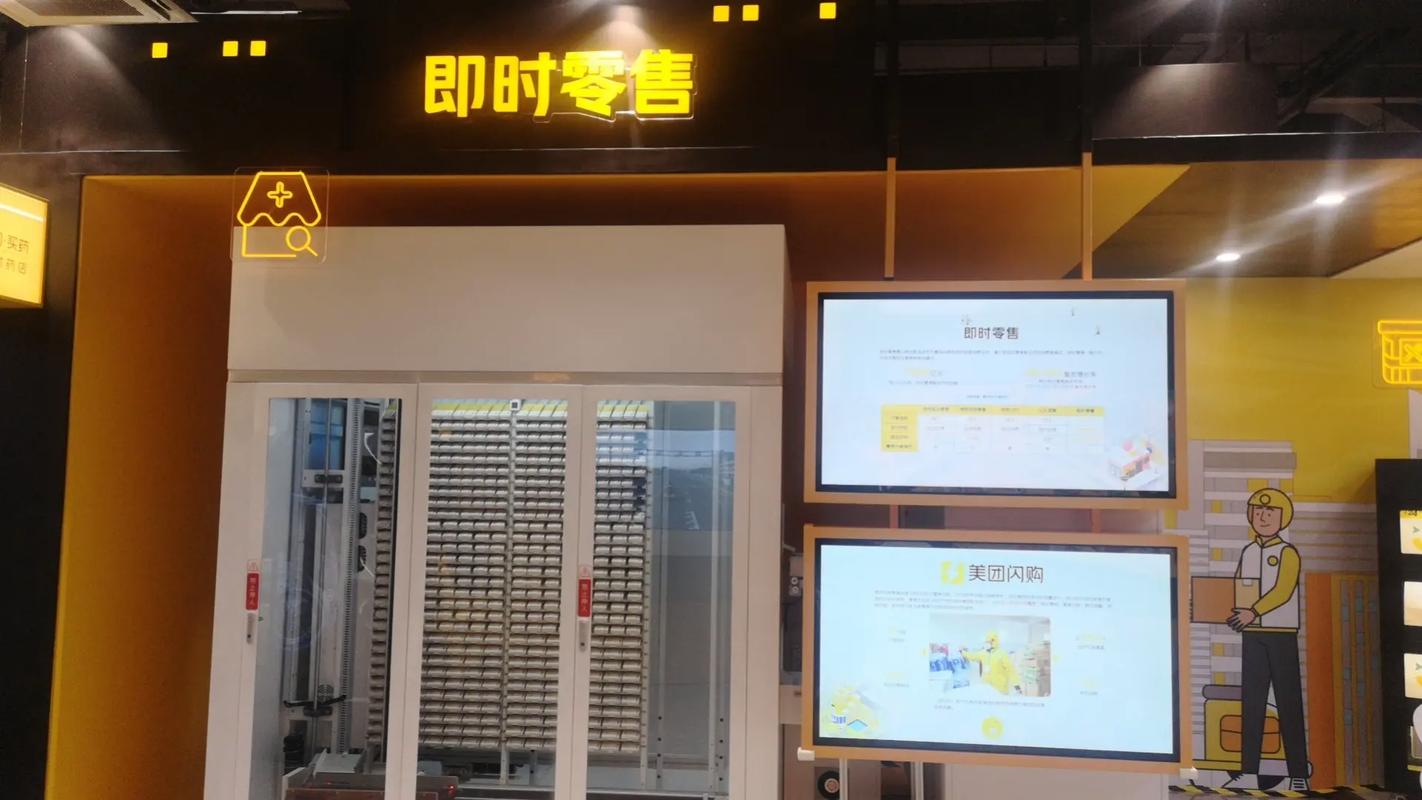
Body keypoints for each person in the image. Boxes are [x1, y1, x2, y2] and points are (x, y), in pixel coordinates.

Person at [1224, 488, 1309, 792]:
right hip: (1253, 635)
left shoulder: (1287, 553)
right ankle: (1248, 770)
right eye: (1258, 512)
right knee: (1252, 703)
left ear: (1283, 518)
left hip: (1281, 635)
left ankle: (1298, 773)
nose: (1263, 517)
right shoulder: (1248, 551)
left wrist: (1254, 611)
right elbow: (1238, 587)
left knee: (1289, 703)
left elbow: (1283, 591)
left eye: (1270, 512)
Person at [960, 631, 1022, 695]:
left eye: (988, 642)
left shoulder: (1002, 654)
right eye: (986, 642)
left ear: (994, 642)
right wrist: (962, 652)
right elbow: (972, 656)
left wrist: (1016, 684)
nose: (987, 644)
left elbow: (1011, 670)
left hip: (1000, 690)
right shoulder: (983, 653)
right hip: (986, 690)